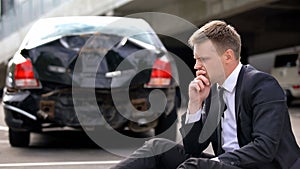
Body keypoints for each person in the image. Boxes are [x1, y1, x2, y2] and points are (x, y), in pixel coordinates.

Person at [111, 20, 300, 169]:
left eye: (203, 59)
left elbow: (264, 148)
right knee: (158, 147)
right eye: (196, 59)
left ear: (227, 56)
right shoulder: (213, 91)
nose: (196, 66)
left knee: (195, 166)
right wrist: (195, 105)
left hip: (264, 166)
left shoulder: (262, 86)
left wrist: (216, 162)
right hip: (227, 164)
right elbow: (193, 148)